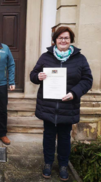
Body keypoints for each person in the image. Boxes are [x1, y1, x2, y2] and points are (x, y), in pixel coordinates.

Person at [30, 27, 93, 181]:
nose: (63, 40)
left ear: (70, 40)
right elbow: (33, 75)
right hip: (48, 105)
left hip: (68, 106)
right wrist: (38, 76)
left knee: (65, 137)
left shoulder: (80, 58)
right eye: (60, 38)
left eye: (66, 38)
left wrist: (74, 93)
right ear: (55, 40)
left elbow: (87, 80)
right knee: (49, 136)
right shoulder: (46, 57)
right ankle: (48, 163)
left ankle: (64, 165)